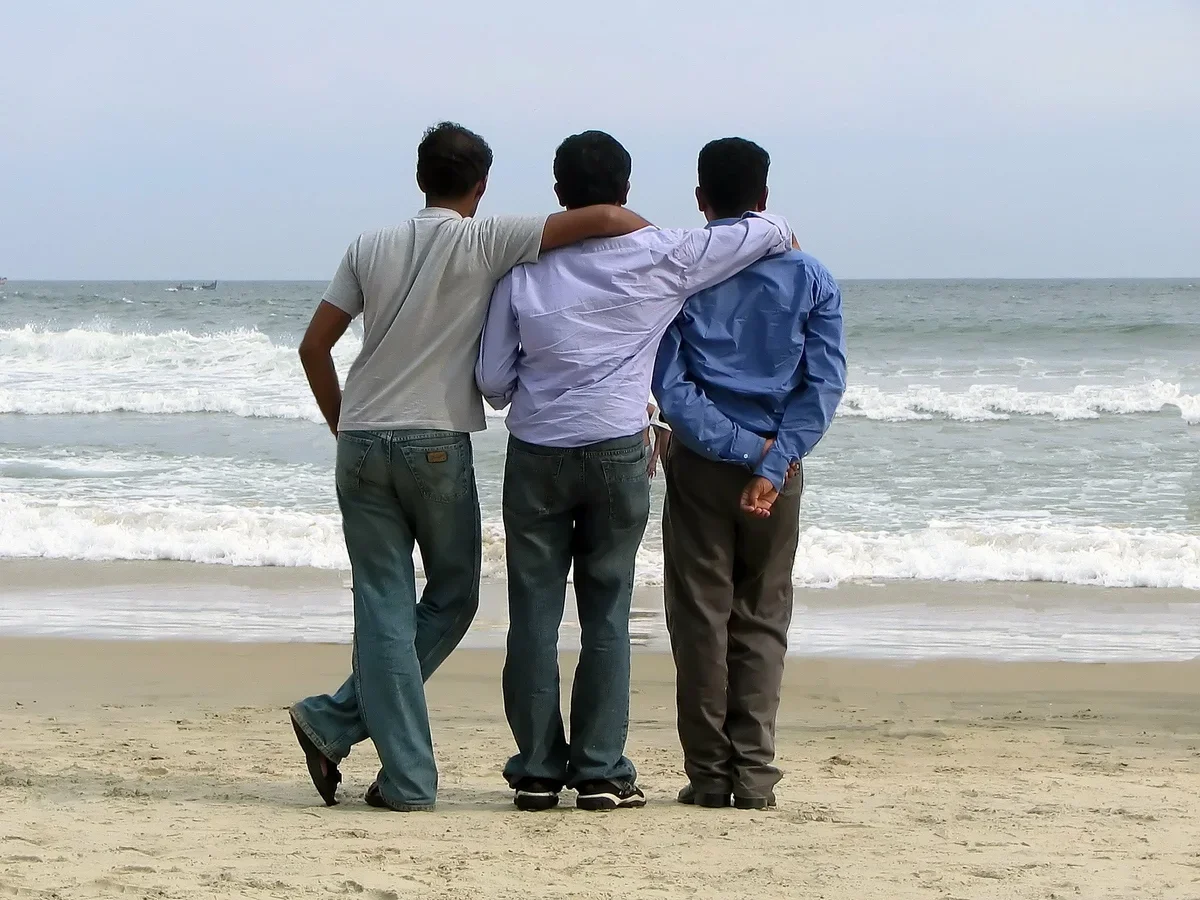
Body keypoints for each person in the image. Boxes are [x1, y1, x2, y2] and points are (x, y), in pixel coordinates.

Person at [288, 122, 652, 812]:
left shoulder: (368, 245)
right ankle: (347, 731)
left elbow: (314, 348)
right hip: (435, 444)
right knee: (453, 596)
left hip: (361, 441)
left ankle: (391, 766)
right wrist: (662, 241)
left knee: (383, 605)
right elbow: (604, 218)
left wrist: (343, 424)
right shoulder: (486, 239)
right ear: (481, 186)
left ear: (418, 177)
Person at [475, 130, 795, 812]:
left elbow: (493, 382)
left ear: (559, 192)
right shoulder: (662, 254)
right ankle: (599, 770)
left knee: (533, 614)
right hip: (617, 450)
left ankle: (537, 769)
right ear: (624, 193)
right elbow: (759, 232)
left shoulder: (522, 271)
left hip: (536, 452)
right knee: (607, 613)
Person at [652, 137, 846, 811]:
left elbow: (671, 388)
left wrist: (737, 447)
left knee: (700, 618)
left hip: (702, 464)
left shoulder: (685, 278)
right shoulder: (811, 276)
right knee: (762, 616)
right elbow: (823, 384)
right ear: (764, 199)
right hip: (777, 467)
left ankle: (710, 776)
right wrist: (772, 458)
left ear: (701, 200)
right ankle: (755, 773)